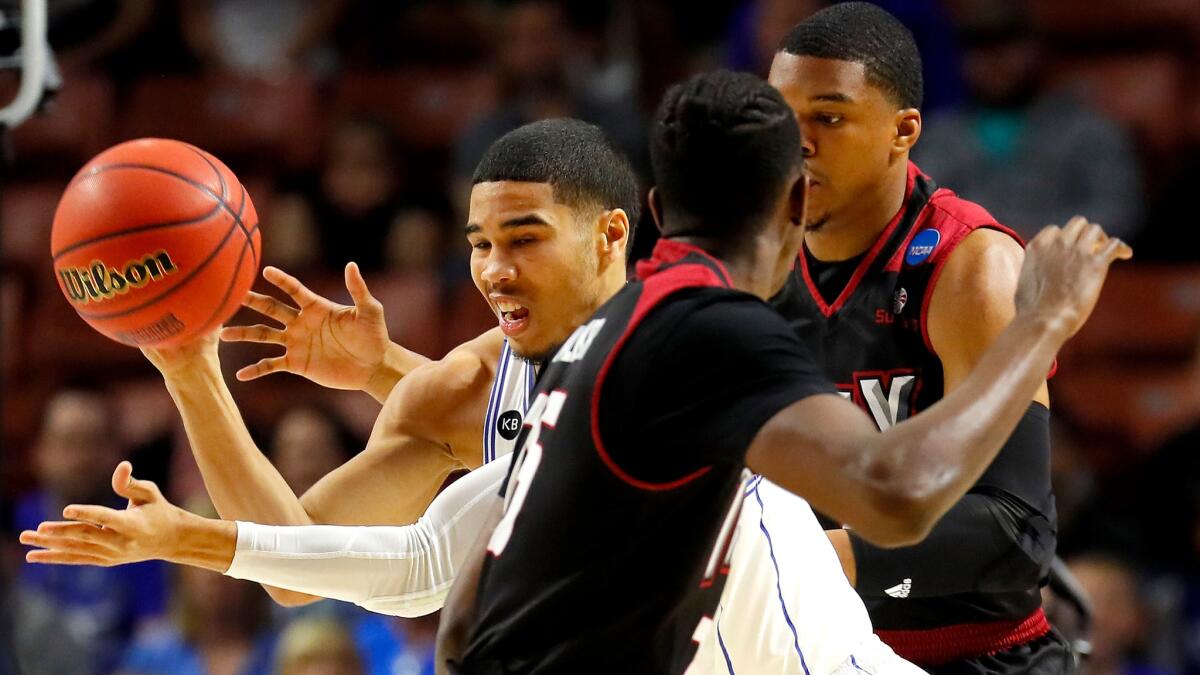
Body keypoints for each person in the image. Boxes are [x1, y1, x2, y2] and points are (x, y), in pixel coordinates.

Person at [431, 68, 1125, 672]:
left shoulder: (605, 328)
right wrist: (1042, 323)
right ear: (796, 203)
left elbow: (462, 619)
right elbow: (897, 495)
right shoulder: (710, 329)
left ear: (655, 211)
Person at [763, 3, 1074, 672]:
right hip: (809, 644)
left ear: (902, 131)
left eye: (830, 117)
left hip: (974, 656)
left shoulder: (969, 267)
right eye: (783, 119)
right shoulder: (753, 259)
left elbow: (1018, 532)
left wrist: (814, 556)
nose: (800, 143)